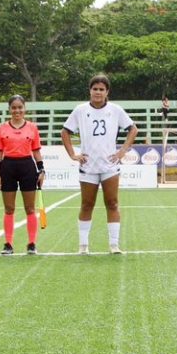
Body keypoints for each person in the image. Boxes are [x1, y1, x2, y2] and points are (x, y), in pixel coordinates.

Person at [62, 74, 136, 255]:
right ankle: (83, 246)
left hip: (109, 166)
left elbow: (133, 129)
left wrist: (122, 151)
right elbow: (65, 132)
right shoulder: (80, 110)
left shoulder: (115, 110)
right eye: (95, 89)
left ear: (107, 92)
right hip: (88, 165)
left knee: (112, 203)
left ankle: (114, 245)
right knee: (87, 204)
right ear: (90, 90)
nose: (98, 92)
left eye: (101, 89)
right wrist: (73, 154)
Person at [0, 95, 44, 254]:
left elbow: (36, 151)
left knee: (30, 208)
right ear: (9, 109)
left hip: (27, 167)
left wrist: (41, 170)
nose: (17, 111)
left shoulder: (32, 127)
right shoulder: (2, 128)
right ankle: (8, 244)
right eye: (14, 108)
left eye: (20, 107)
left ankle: (31, 244)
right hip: (8, 167)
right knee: (9, 208)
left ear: (24, 109)